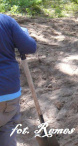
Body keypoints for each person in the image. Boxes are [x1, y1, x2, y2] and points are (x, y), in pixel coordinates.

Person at [0, 14, 37, 145]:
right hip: (6, 92)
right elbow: (29, 47)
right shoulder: (6, 21)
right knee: (7, 126)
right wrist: (24, 34)